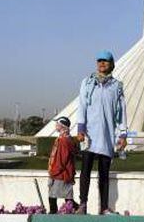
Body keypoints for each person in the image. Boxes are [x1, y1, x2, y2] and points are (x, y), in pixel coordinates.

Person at [75, 50, 128, 215]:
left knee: (104, 173)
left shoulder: (117, 86)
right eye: (99, 61)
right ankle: (83, 204)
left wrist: (123, 134)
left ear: (111, 64)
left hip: (106, 135)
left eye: (105, 61)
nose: (102, 63)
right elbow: (82, 105)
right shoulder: (87, 82)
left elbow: (121, 112)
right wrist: (81, 129)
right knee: (85, 171)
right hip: (89, 134)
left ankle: (104, 207)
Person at [47, 116, 78, 214]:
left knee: (53, 196)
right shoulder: (65, 138)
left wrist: (53, 172)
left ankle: (53, 215)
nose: (55, 125)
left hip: (61, 174)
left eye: (57, 124)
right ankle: (79, 210)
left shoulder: (63, 140)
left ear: (62, 126)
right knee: (67, 198)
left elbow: (62, 159)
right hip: (64, 173)